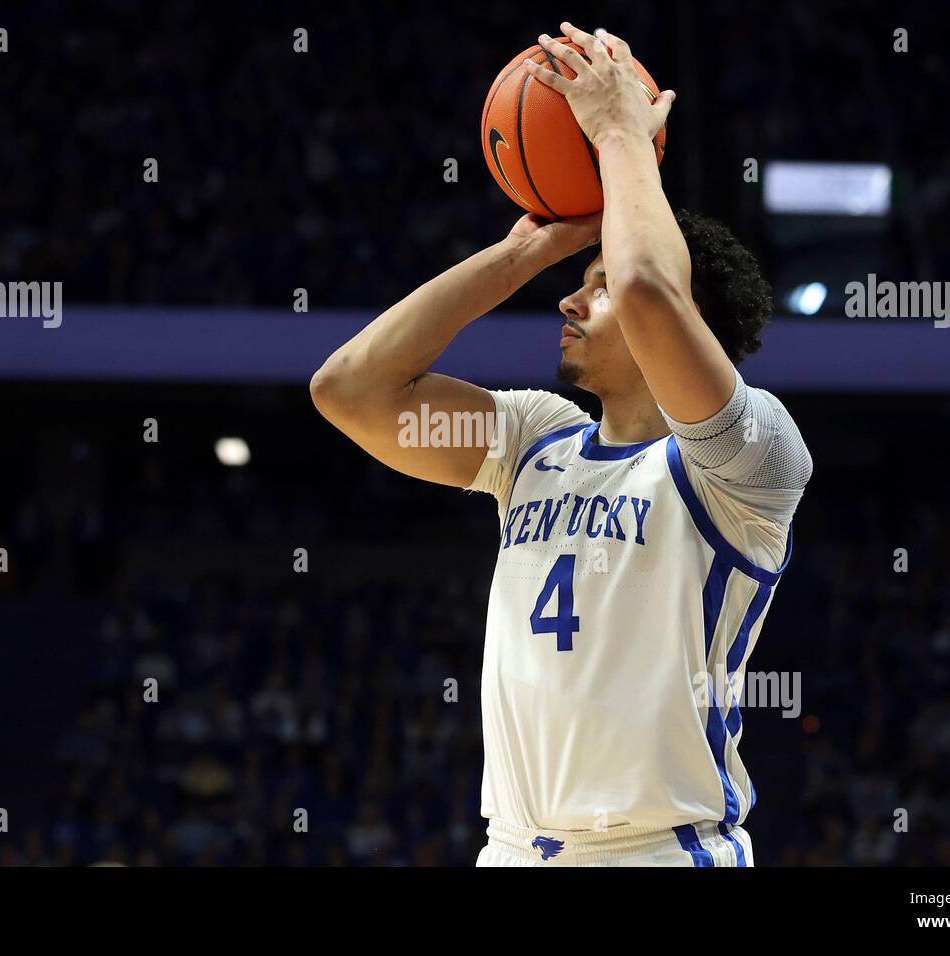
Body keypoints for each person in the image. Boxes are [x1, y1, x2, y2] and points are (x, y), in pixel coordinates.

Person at [311, 22, 812, 866]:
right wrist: (522, 252)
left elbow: (653, 289)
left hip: (659, 852)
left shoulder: (749, 459)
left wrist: (620, 136)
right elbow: (350, 391)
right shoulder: (535, 441)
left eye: (595, 288)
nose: (567, 304)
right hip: (511, 850)